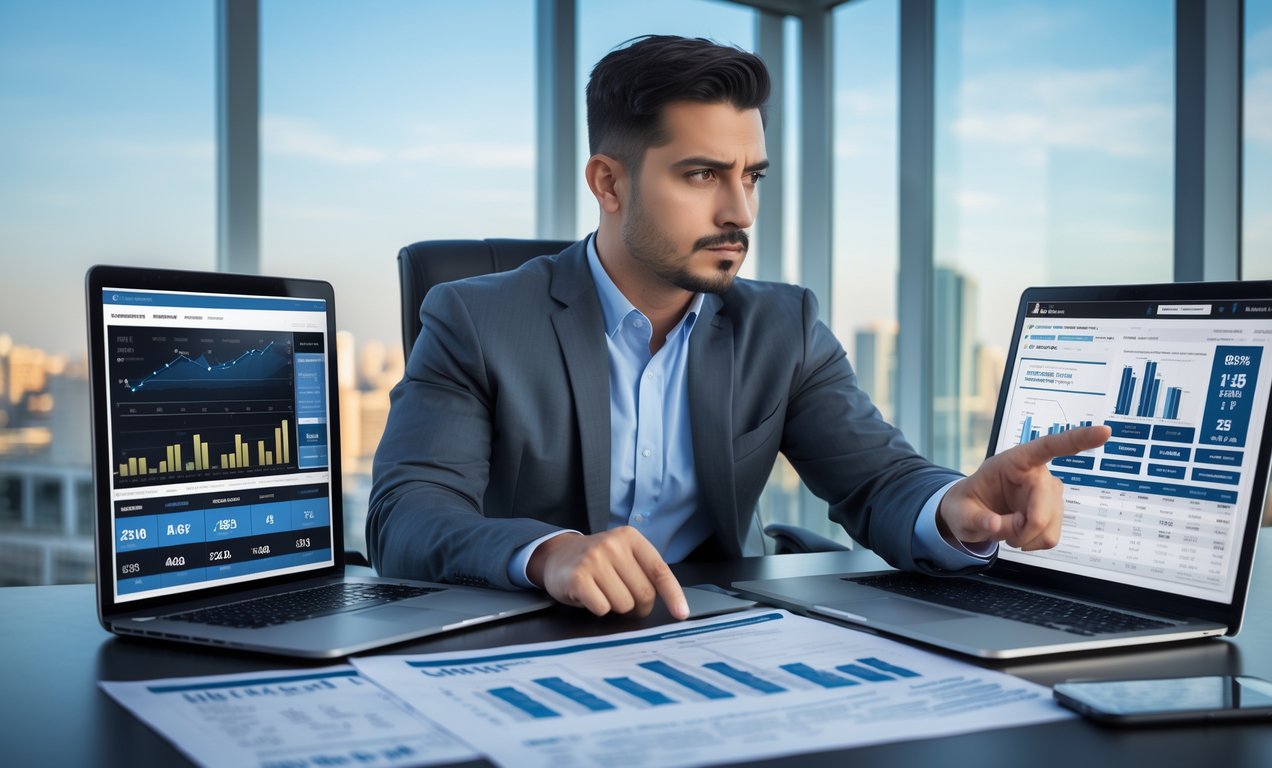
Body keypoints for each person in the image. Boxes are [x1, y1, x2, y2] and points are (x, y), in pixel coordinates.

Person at [367, 34, 1109, 621]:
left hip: (717, 634)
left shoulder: (782, 324)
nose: (739, 213)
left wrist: (954, 511)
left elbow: (879, 480)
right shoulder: (476, 316)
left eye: (749, 176)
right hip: (522, 642)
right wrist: (548, 553)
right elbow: (407, 518)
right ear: (609, 183)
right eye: (701, 175)